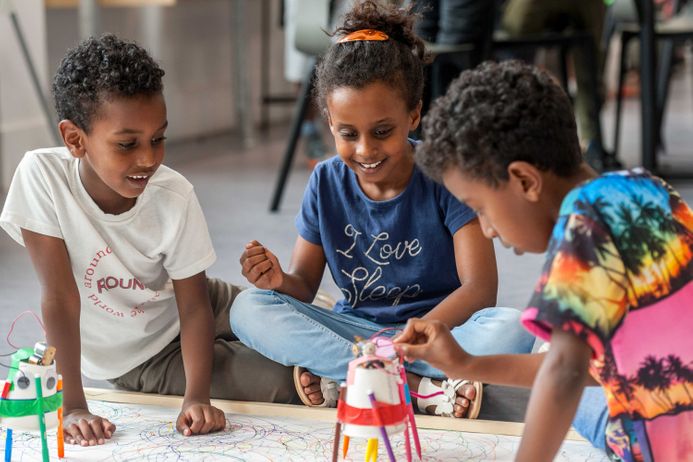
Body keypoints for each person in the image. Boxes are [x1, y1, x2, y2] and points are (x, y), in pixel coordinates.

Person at [230, 1, 535, 419]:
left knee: (512, 329)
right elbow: (303, 284)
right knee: (249, 309)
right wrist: (277, 279)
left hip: (437, 333)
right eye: (347, 134)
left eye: (382, 132)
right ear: (329, 121)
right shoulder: (324, 181)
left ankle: (351, 377)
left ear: (414, 114)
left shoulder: (446, 174)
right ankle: (413, 387)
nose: (365, 150)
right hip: (356, 332)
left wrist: (405, 342)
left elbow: (480, 289)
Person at [0, 34, 298, 447]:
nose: (148, 159)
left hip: (202, 303)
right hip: (143, 358)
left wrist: (197, 397)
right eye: (127, 144)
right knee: (283, 379)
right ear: (74, 139)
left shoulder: (173, 195)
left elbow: (195, 306)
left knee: (297, 323)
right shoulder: (41, 178)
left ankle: (382, 356)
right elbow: (60, 299)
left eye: (158, 138)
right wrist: (73, 408)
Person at [395, 60, 693, 460]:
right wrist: (465, 364)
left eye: (480, 207)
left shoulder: (583, 228)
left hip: (666, 444)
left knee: (556, 368)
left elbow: (565, 373)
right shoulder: (646, 187)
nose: (487, 229)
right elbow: (588, 368)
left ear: (524, 181)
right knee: (554, 353)